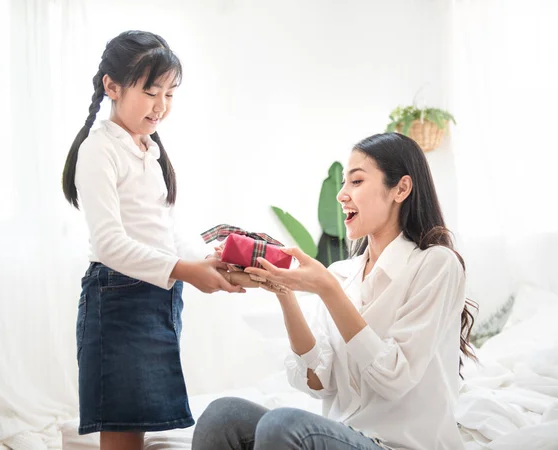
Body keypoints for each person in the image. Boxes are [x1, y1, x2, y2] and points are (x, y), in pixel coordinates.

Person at [192, 132, 476, 450]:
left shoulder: (436, 264)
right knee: (223, 415)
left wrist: (328, 290)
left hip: (401, 446)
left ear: (401, 188)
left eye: (356, 182)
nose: (341, 195)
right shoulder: (343, 273)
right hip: (345, 436)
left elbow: (394, 378)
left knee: (282, 425)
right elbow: (317, 382)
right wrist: (282, 290)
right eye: (344, 183)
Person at [61, 30, 243, 450]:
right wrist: (186, 271)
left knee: (139, 418)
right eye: (150, 91)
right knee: (123, 426)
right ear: (112, 86)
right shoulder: (99, 150)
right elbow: (108, 243)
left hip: (157, 297)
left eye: (170, 94)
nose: (161, 106)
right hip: (118, 299)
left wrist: (205, 258)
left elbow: (164, 228)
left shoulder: (148, 149)